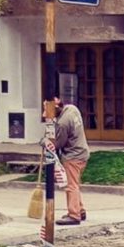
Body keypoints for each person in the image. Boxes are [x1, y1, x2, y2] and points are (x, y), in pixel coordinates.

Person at [45, 96, 90, 226]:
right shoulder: (72, 109)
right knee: (74, 184)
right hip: (83, 152)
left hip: (73, 156)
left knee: (71, 186)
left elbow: (58, 143)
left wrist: (45, 141)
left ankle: (74, 215)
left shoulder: (62, 123)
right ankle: (80, 210)